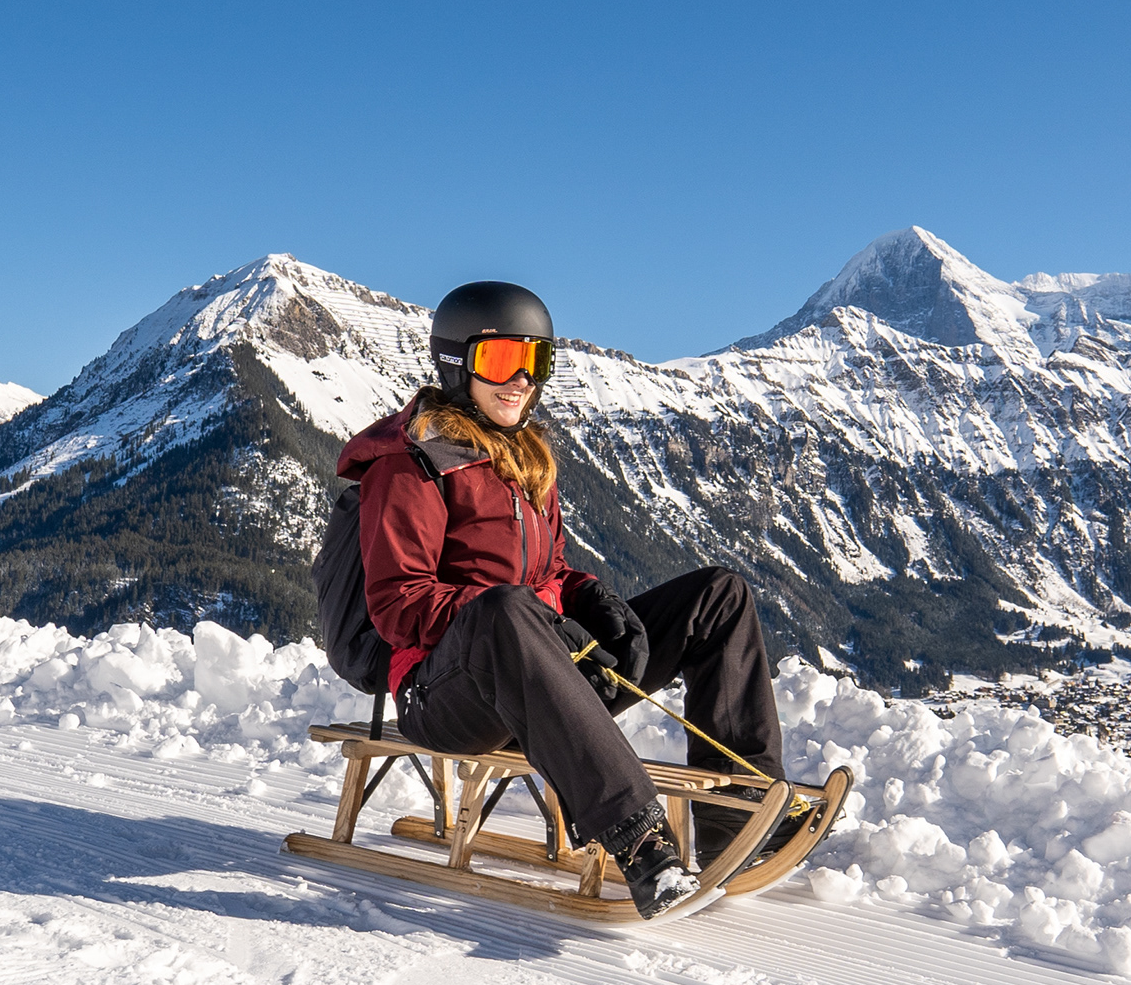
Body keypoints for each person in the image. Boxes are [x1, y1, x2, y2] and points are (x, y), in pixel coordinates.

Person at [336, 279, 812, 917]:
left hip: (538, 673)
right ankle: (637, 839)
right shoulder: (409, 467)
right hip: (443, 693)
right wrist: (522, 616)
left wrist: (590, 601)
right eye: (503, 360)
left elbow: (549, 572)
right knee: (504, 611)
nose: (521, 381)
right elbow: (399, 604)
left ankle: (740, 815)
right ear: (457, 363)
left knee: (717, 595)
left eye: (537, 362)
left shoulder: (523, 462)